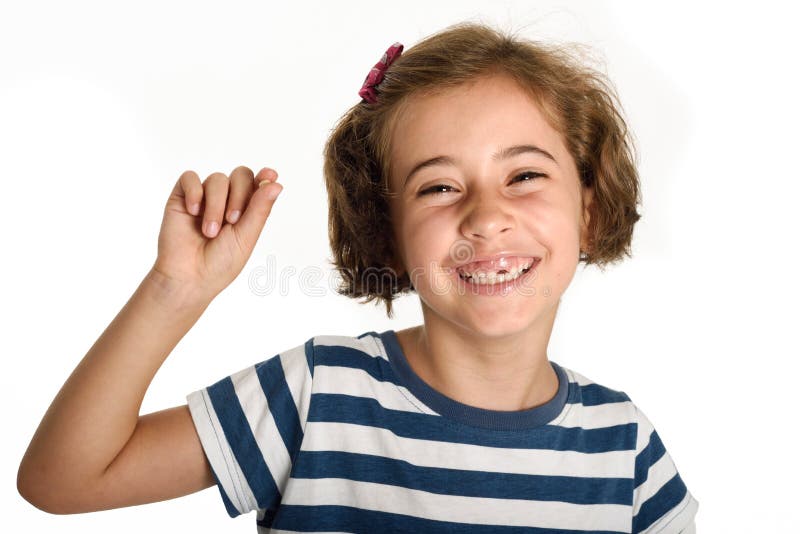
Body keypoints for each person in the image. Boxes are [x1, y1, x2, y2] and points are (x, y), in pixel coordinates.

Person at [17, 21, 699, 533]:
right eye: (437, 187)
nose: (487, 218)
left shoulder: (626, 447)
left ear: (587, 204)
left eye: (524, 175)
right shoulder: (316, 396)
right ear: (389, 234)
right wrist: (177, 288)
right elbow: (62, 480)